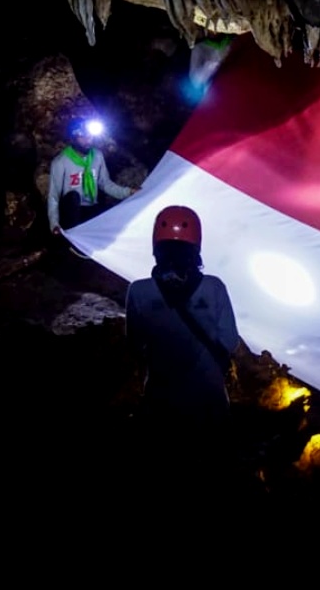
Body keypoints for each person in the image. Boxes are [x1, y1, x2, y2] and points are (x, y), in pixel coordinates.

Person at [124, 205, 239, 506]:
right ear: (196, 246)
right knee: (215, 478)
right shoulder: (214, 288)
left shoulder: (139, 292)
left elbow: (134, 344)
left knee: (163, 479)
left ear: (156, 246)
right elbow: (229, 340)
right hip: (210, 403)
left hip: (161, 402)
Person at [47, 114, 137, 235]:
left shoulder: (97, 156)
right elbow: (53, 196)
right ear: (73, 138)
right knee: (73, 197)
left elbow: (105, 184)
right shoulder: (61, 162)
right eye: (82, 137)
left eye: (89, 136)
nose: (88, 140)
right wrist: (54, 224)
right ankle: (71, 236)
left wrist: (128, 192)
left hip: (91, 207)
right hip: (71, 211)